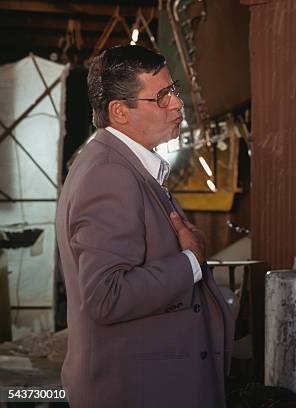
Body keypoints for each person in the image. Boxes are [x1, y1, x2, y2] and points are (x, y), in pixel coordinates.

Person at [55, 45, 234, 408]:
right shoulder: (109, 174)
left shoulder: (127, 167)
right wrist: (191, 262)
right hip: (134, 392)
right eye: (162, 97)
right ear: (120, 112)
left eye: (175, 90)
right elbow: (106, 296)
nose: (177, 104)